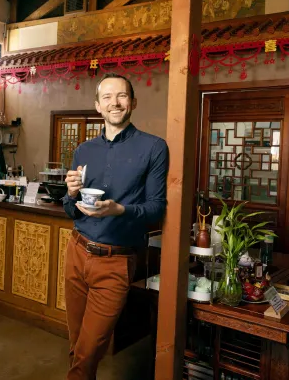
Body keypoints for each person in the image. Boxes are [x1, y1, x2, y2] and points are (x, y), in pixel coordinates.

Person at [63, 73, 169, 380]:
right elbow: (72, 209)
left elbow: (156, 207)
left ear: (133, 102)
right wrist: (70, 193)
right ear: (97, 106)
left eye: (121, 96)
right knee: (76, 345)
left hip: (116, 261)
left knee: (87, 352)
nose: (115, 102)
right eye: (107, 97)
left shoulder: (154, 148)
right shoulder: (84, 150)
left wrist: (119, 209)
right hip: (77, 252)